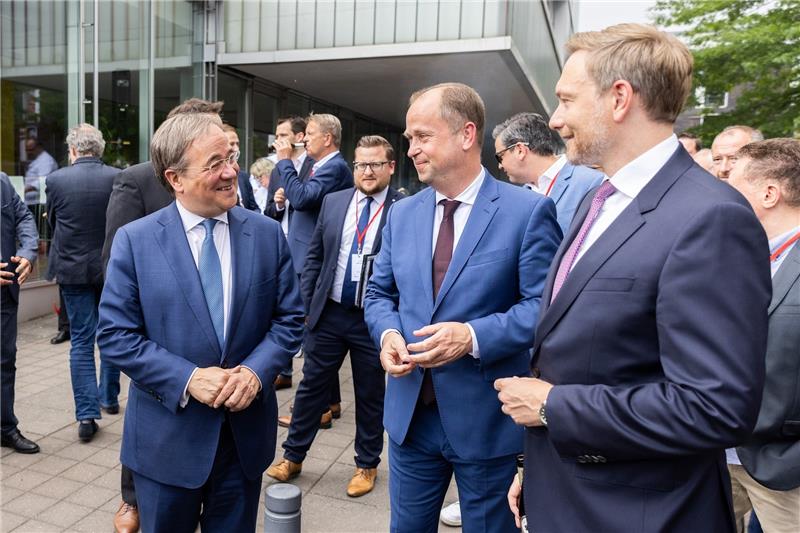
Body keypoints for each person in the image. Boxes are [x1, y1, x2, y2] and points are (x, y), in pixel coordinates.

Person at [495, 24, 771, 532]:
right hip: (568, 491)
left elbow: (715, 406)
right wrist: (534, 466)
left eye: (567, 100)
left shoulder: (710, 217)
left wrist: (555, 406)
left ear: (619, 97)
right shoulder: (597, 202)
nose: (555, 120)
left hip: (640, 515)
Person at [364, 82, 561, 532]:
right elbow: (379, 295)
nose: (411, 149)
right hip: (410, 419)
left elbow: (543, 311)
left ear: (467, 134)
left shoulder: (527, 212)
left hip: (487, 421)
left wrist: (471, 337)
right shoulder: (403, 213)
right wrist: (389, 335)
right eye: (409, 137)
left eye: (422, 136)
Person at [97, 111, 305, 532]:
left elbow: (289, 320)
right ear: (176, 178)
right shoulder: (136, 241)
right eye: (215, 164)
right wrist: (189, 378)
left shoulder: (265, 235)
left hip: (243, 443)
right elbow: (116, 336)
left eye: (231, 157)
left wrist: (254, 371)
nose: (232, 172)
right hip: (165, 444)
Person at [100, 97, 227, 533]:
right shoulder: (134, 182)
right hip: (162, 368)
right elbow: (116, 260)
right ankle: (132, 498)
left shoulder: (229, 185)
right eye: (215, 156)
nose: (227, 165)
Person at [267, 136, 403, 497]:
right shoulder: (334, 201)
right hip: (328, 314)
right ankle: (293, 456)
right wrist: (308, 306)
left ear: (390, 167)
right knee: (311, 388)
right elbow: (314, 257)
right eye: (361, 164)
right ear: (353, 167)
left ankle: (366, 465)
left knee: (370, 394)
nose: (367, 171)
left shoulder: (403, 208)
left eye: (375, 164)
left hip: (371, 321)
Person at [726, 138, 800, 533]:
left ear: (770, 193)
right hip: (718, 455)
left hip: (785, 468)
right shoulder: (736, 256)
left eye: (731, 187)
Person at [45, 123, 120, 442]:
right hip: (110, 268)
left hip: (73, 270)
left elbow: (51, 221)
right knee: (113, 334)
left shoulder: (56, 179)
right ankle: (109, 398)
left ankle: (87, 415)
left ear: (73, 150)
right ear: (99, 149)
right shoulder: (117, 177)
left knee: (81, 341)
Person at [493, 112, 603, 234]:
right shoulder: (518, 202)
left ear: (520, 150)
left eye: (500, 157)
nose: (499, 165)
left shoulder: (590, 180)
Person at [0, 172, 40, 454]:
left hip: (4, 295)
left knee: (4, 362)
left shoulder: (2, 181)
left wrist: (27, 251)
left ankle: (5, 428)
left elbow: (24, 218)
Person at [221, 124, 259, 211]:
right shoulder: (216, 175)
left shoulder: (243, 176)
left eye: (237, 144)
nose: (236, 148)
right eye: (231, 144)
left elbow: (254, 207)